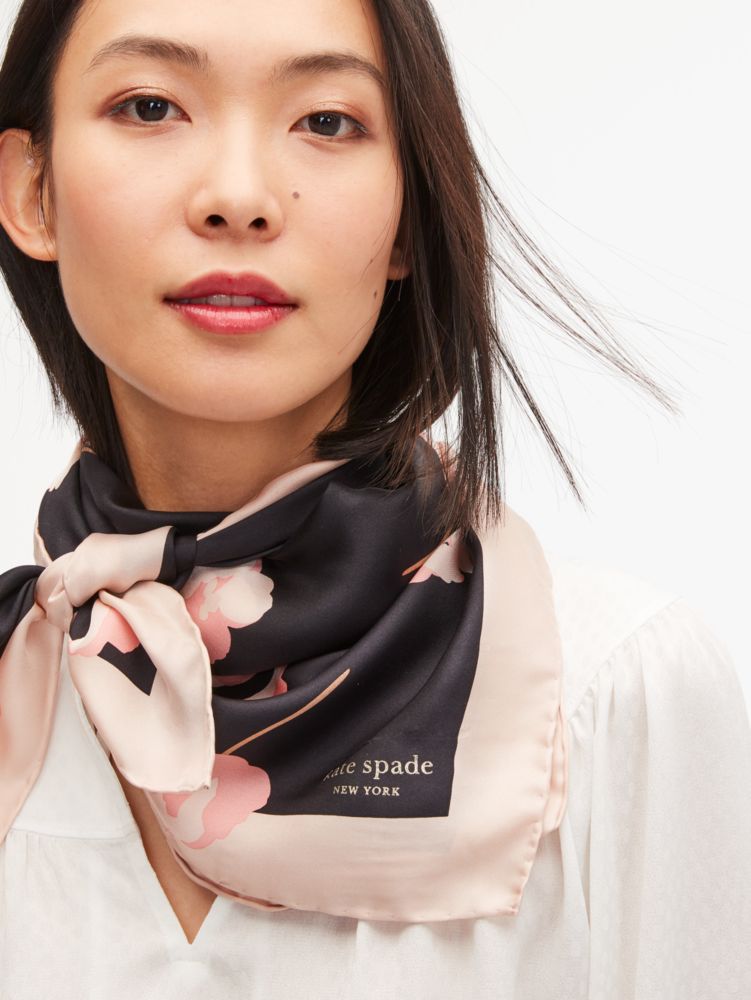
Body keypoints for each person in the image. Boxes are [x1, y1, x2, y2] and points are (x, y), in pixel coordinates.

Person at [0, 0, 748, 996]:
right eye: (149, 106)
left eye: (326, 120)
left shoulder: (613, 693)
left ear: (408, 217)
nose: (238, 198)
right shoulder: (16, 688)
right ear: (32, 192)